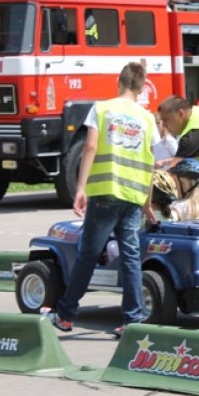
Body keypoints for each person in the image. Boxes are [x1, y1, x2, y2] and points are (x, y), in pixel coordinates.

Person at [44, 62, 159, 335]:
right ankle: (133, 319)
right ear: (141, 88)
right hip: (133, 194)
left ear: (118, 82)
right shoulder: (146, 118)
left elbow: (91, 146)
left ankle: (66, 313)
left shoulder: (103, 108)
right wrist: (147, 202)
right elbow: (151, 163)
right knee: (131, 256)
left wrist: (80, 188)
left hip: (106, 192)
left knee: (88, 254)